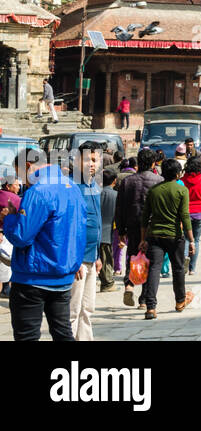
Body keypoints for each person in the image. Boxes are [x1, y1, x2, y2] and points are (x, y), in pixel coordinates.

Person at [2, 147, 85, 341]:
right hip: (63, 275)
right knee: (63, 333)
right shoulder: (72, 187)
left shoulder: (38, 191)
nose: (21, 182)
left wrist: (8, 219)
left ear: (28, 166)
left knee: (27, 336)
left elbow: (21, 237)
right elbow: (80, 229)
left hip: (33, 277)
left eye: (20, 174)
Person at [139, 158, 195, 320]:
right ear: (178, 173)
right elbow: (185, 216)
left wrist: (143, 239)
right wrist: (191, 239)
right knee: (178, 269)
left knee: (154, 269)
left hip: (154, 236)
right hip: (175, 236)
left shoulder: (154, 190)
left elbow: (144, 217)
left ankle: (150, 307)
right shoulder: (181, 190)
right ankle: (179, 301)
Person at [114, 147, 162, 309]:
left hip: (132, 224)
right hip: (152, 226)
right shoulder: (159, 181)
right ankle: (143, 300)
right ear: (153, 163)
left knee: (133, 256)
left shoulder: (127, 181)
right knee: (150, 260)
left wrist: (120, 230)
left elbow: (119, 208)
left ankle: (129, 284)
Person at [67, 142, 104, 341]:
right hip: (77, 259)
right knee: (73, 309)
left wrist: (97, 255)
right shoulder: (72, 187)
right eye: (88, 159)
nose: (92, 164)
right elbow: (69, 227)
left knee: (88, 308)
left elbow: (95, 222)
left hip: (92, 256)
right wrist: (74, 260)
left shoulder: (94, 186)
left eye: (95, 160)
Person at [182, 158, 201, 273]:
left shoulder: (182, 180)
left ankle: (185, 259)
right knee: (196, 240)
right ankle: (192, 268)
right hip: (200, 213)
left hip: (186, 213)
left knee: (185, 238)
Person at [98, 166, 119, 291]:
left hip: (96, 230)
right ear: (114, 181)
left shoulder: (95, 193)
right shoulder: (116, 195)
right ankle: (107, 283)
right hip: (108, 232)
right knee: (106, 259)